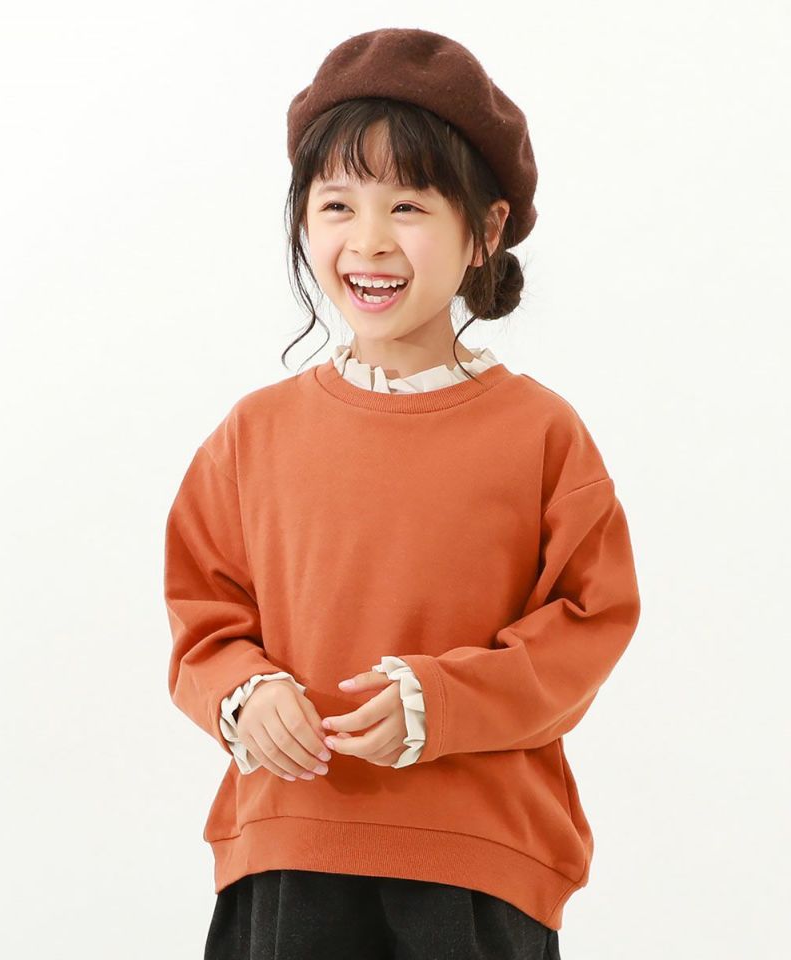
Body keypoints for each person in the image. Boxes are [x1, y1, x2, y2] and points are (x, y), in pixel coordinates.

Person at [163, 27, 641, 960]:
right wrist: (244, 694)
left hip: (476, 863)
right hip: (289, 848)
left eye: (409, 205)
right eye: (337, 204)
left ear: (486, 231)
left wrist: (442, 701)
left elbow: (590, 624)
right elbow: (202, 618)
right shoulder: (253, 433)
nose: (369, 240)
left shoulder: (541, 433)